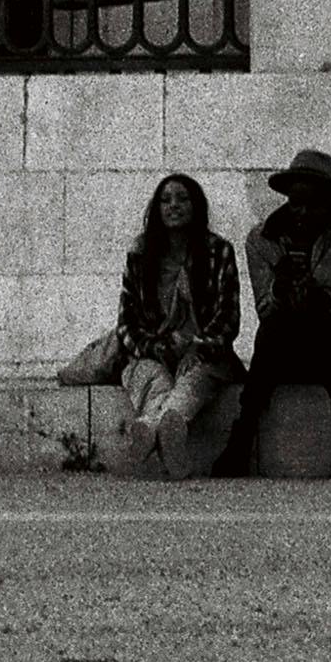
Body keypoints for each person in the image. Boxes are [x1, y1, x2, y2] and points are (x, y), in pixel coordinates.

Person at [215, 148, 331, 478]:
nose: (303, 212)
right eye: (295, 202)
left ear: (329, 203)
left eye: (313, 204)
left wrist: (321, 300)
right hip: (284, 349)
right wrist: (281, 288)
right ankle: (240, 439)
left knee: (329, 330)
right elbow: (264, 310)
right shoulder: (261, 240)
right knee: (275, 329)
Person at [102, 174, 245, 479]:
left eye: (182, 199)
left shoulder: (218, 251)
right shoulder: (140, 254)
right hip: (152, 351)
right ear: (156, 210)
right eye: (165, 200)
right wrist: (156, 349)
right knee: (151, 379)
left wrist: (198, 345)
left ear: (196, 206)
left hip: (203, 352)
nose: (174, 206)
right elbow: (127, 322)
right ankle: (165, 433)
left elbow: (229, 316)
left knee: (194, 379)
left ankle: (159, 425)